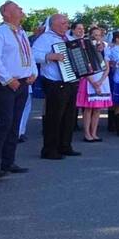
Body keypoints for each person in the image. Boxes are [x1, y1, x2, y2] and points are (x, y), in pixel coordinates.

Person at [31, 13, 81, 160]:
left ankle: (65, 146)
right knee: (54, 117)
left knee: (69, 116)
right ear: (55, 25)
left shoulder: (69, 38)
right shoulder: (45, 38)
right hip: (55, 82)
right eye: (64, 23)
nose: (67, 26)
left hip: (70, 82)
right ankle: (49, 149)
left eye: (67, 23)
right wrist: (49, 56)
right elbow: (33, 55)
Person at [0, 1, 37, 175]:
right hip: (6, 85)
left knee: (15, 123)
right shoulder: (0, 32)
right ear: (6, 13)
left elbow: (30, 55)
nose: (22, 10)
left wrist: (33, 72)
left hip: (22, 83)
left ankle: (8, 162)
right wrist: (7, 79)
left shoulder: (21, 33)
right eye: (18, 8)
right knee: (4, 123)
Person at [76, 28, 110, 143]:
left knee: (97, 109)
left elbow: (107, 67)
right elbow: (84, 68)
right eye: (94, 35)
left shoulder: (104, 50)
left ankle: (94, 132)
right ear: (90, 36)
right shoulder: (85, 50)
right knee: (88, 109)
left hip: (102, 80)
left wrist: (100, 82)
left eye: (99, 35)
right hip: (89, 81)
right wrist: (93, 83)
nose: (96, 37)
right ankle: (87, 133)